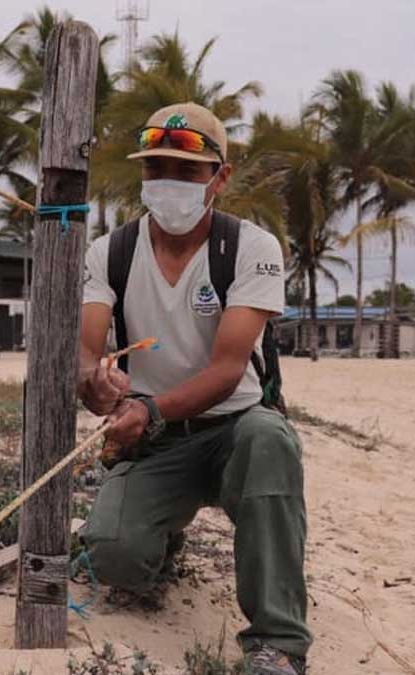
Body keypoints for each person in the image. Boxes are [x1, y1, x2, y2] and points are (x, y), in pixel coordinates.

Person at [77, 102, 311, 675]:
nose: (168, 185)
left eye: (187, 171)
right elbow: (87, 353)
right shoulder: (110, 252)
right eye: (156, 170)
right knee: (112, 558)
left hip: (235, 432)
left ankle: (277, 642)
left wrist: (148, 410)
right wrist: (98, 386)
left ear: (219, 178)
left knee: (269, 439)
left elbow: (227, 371)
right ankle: (162, 540)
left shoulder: (251, 249)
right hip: (155, 441)